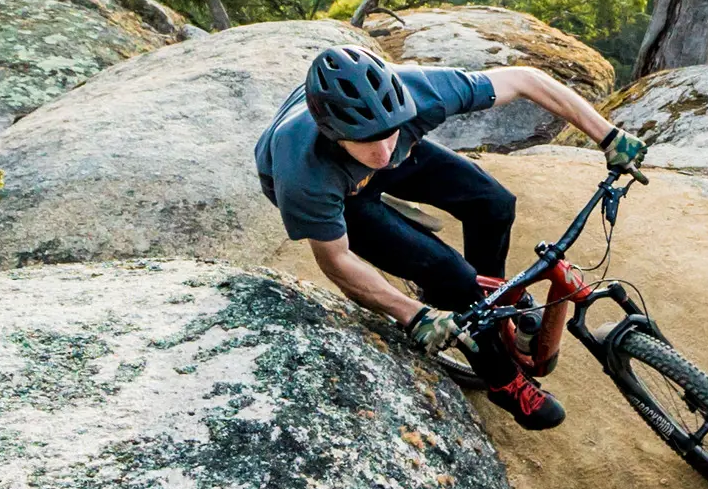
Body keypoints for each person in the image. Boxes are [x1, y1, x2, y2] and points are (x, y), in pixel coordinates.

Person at [256, 45, 645, 430]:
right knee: (450, 275)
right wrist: (414, 316)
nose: (384, 148)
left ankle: (488, 307)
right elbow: (336, 262)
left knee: (494, 203)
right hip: (342, 194)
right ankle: (502, 380)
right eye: (367, 138)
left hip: (392, 157)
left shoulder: (419, 93)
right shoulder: (303, 175)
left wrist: (609, 136)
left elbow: (526, 79)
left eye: (390, 132)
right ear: (332, 132)